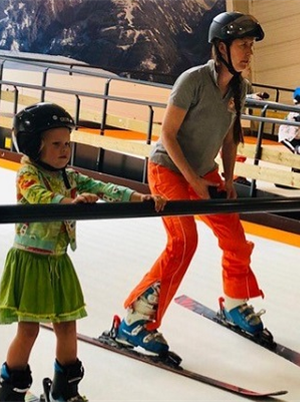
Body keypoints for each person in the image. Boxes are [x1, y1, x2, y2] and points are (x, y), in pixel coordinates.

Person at [115, 11, 267, 355]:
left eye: (251, 46)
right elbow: (167, 135)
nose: (248, 52)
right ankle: (135, 319)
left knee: (235, 238)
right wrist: (192, 180)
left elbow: (229, 137)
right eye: (242, 45)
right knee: (183, 241)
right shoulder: (193, 80)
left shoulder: (240, 88)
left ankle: (235, 302)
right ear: (222, 47)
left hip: (204, 172)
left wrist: (227, 177)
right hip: (168, 169)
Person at [0, 102, 166, 402]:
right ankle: (10, 393)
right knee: (29, 330)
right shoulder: (27, 173)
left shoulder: (69, 176)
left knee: (67, 327)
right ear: (33, 145)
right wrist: (68, 203)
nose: (65, 150)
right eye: (56, 144)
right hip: (30, 261)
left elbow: (103, 188)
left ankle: (65, 391)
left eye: (67, 143)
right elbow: (38, 196)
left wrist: (138, 197)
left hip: (59, 262)